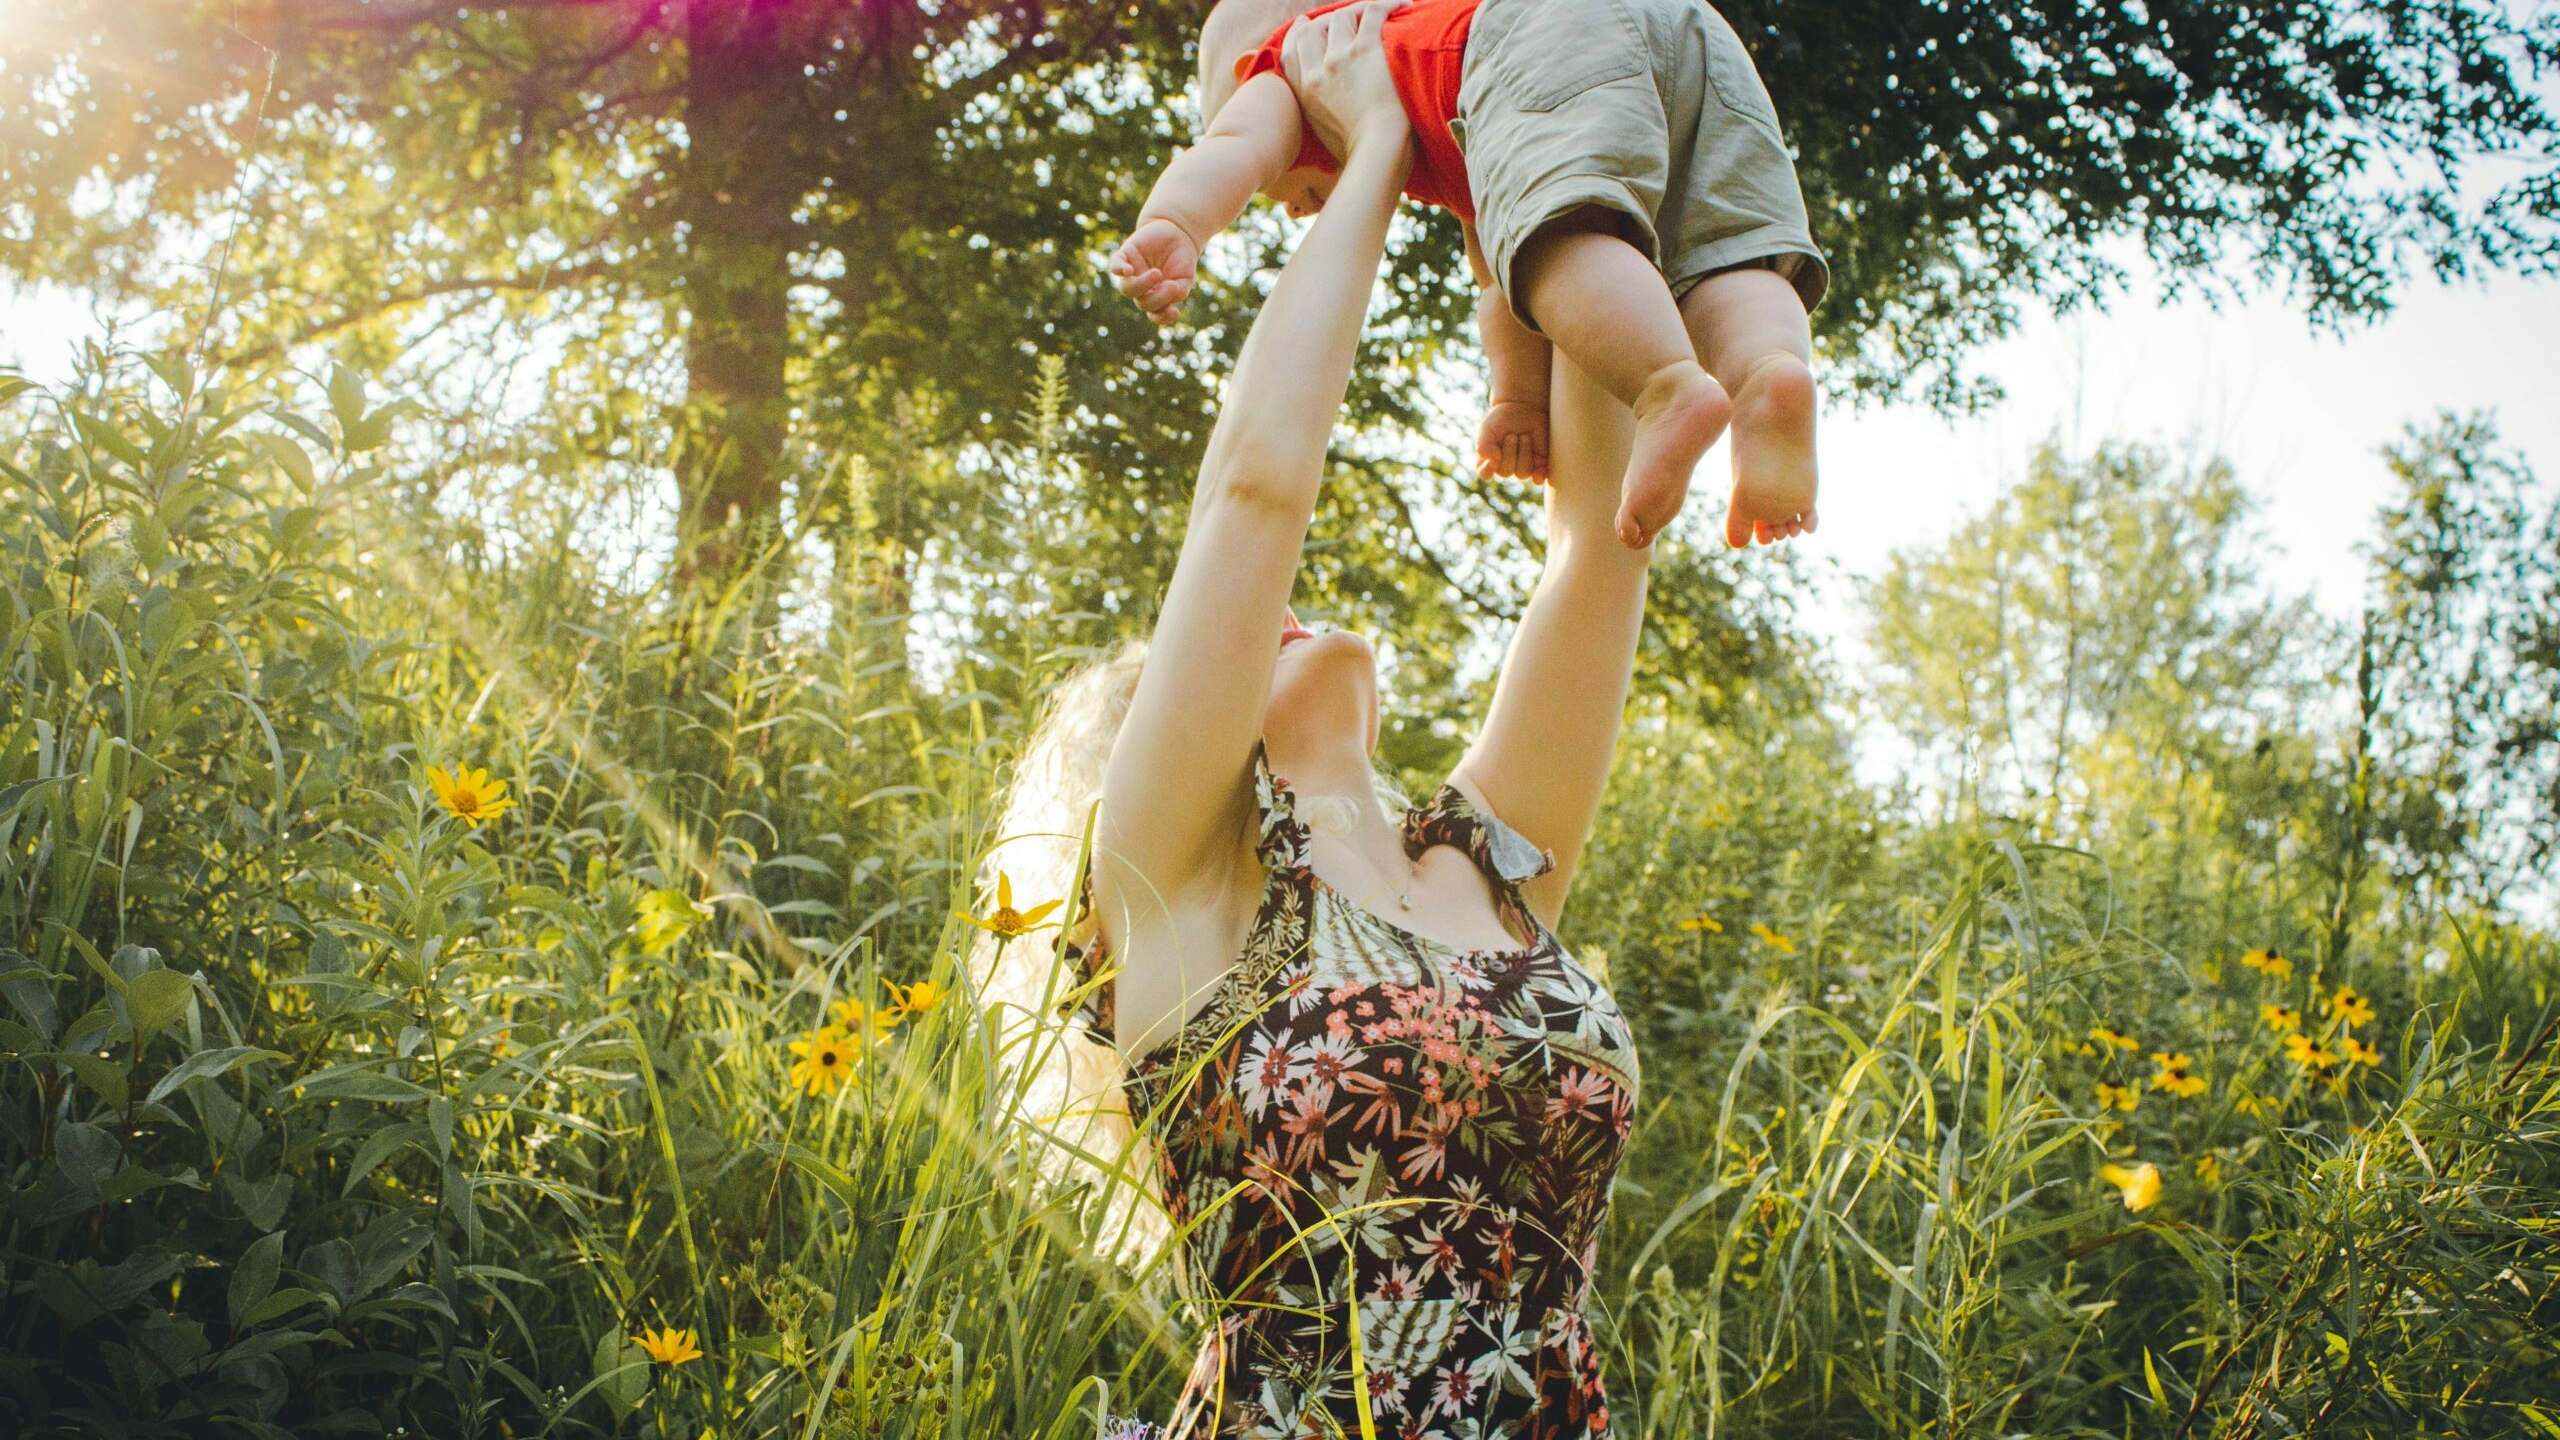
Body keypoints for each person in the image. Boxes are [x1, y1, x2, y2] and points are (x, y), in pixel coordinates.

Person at [975, 9, 1646, 1434]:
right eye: (1223, 643)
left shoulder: (1480, 873)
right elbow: (1256, 492)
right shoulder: (1184, 895)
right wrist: (1376, 153)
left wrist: (1539, 155)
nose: (1273, 611)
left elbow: (1602, 540)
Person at [1109, 0, 1829, 553]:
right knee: (1723, 246)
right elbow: (1499, 282)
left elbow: (1235, 146)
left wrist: (1175, 224)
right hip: (1691, 30)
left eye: (1284, 194)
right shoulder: (1453, 86)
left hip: (1546, 33)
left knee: (1560, 242)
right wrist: (1517, 401)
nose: (1296, 212)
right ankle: (1768, 371)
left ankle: (1666, 386)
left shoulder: (1295, 62)